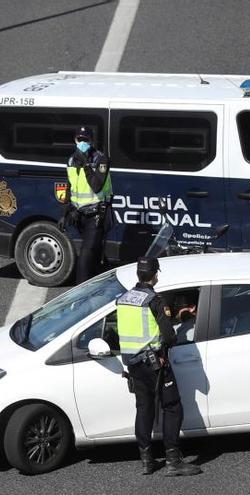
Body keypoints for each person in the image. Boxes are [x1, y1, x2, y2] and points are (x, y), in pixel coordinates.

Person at [117, 256, 201, 477]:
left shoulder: (123, 299)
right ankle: (173, 461)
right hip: (155, 363)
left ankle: (146, 461)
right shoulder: (155, 301)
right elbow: (170, 337)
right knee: (172, 406)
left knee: (144, 409)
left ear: (138, 274)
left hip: (133, 364)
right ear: (155, 275)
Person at [60, 126, 113, 283]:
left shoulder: (101, 159)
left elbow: (96, 185)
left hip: (96, 216)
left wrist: (86, 166)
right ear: (75, 140)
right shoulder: (71, 160)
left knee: (84, 258)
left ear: (91, 141)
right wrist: (64, 213)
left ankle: (77, 297)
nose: (82, 143)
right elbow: (70, 188)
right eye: (79, 139)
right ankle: (100, 287)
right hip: (79, 216)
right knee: (94, 257)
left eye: (85, 140)